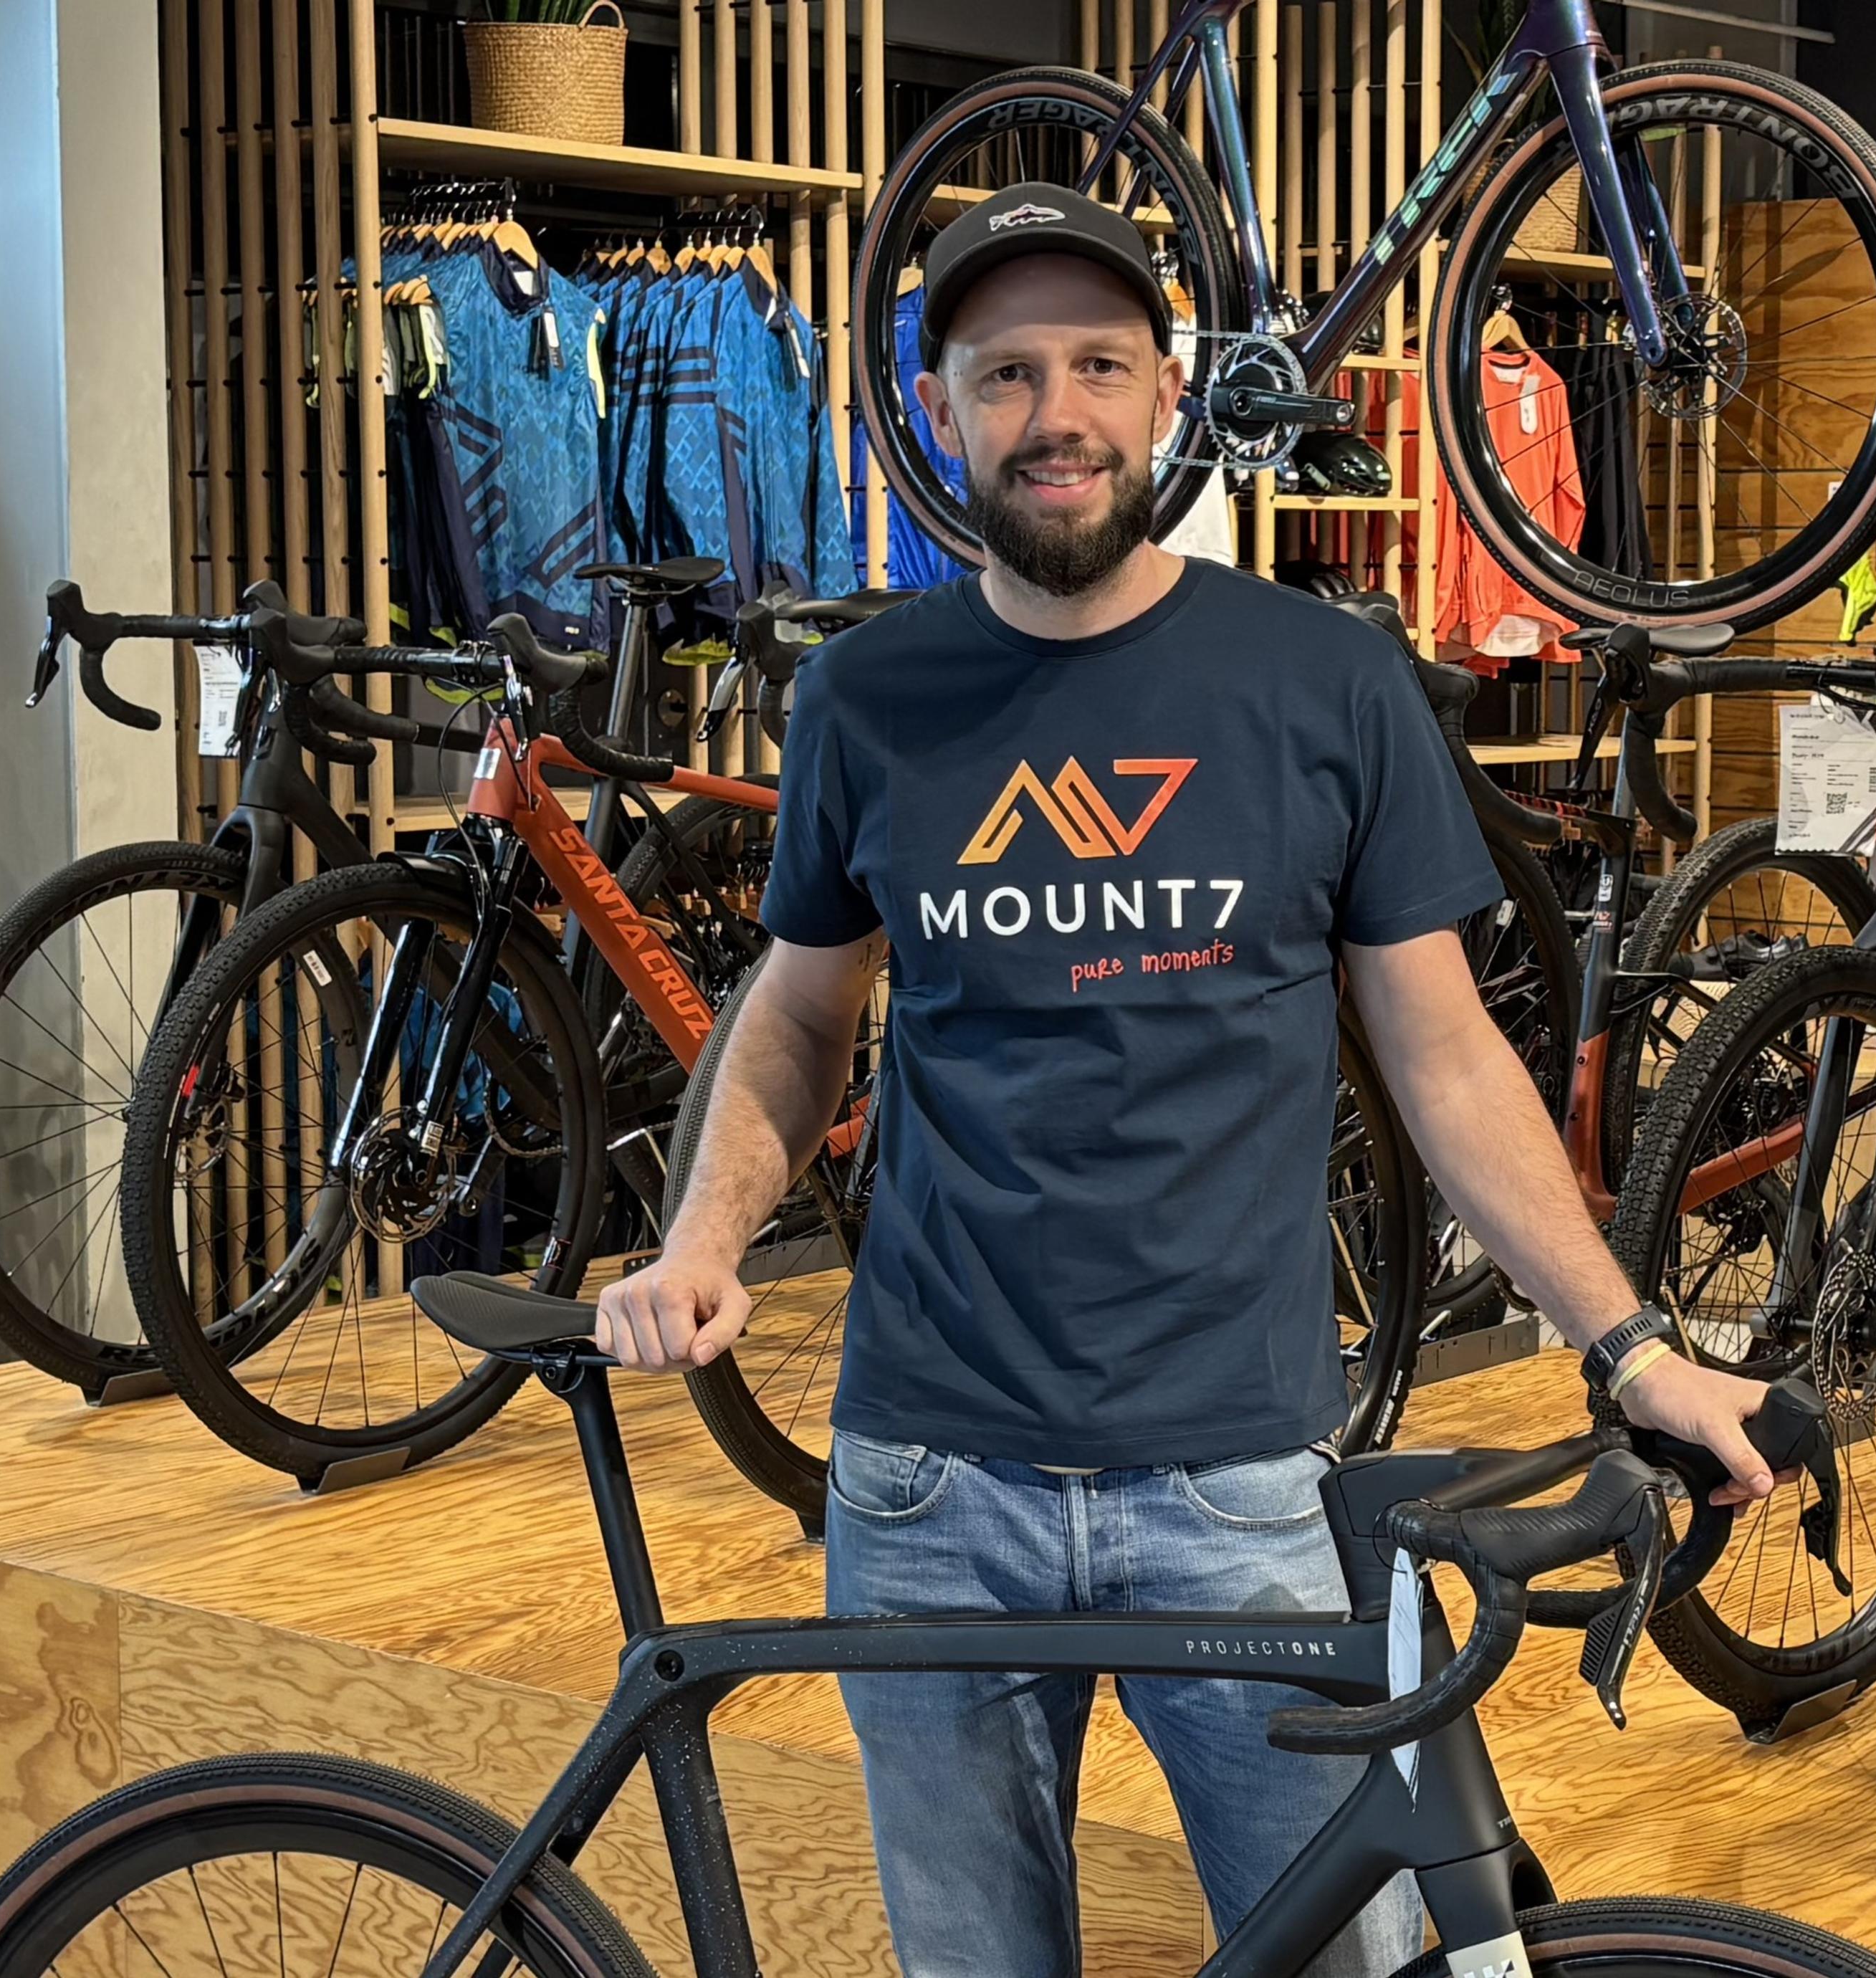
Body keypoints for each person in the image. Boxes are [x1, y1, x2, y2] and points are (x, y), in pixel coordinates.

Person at [593, 183, 1781, 1978]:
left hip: (1235, 1480)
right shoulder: (865, 698)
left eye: (1097, 364)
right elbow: (797, 1016)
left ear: (1167, 392)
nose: (1053, 413)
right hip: (929, 1487)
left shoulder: (1325, 683)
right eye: (1004, 374)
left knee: (1352, 1957)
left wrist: (1629, 1346)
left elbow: (1447, 1054)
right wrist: (701, 1242)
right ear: (938, 410)